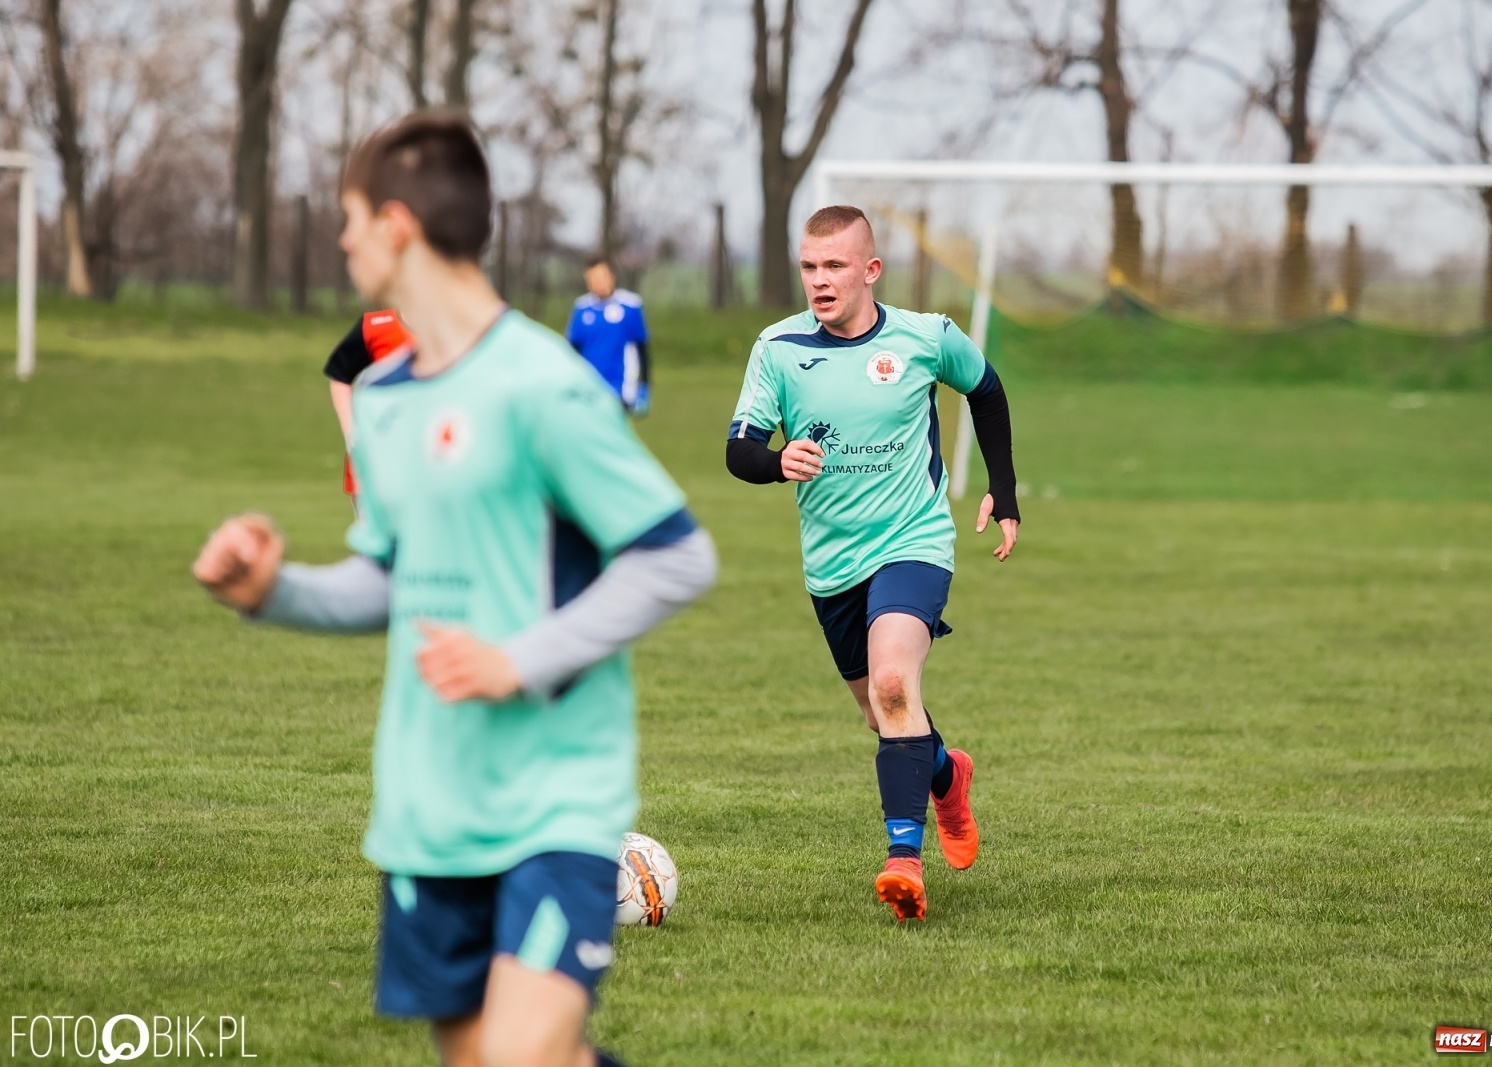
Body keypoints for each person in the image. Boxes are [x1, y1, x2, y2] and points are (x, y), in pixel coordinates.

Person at [192, 111, 716, 1067]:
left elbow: (676, 556)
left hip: (556, 797)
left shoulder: (542, 386)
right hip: (428, 804)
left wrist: (519, 659)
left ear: (395, 223)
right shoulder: (384, 399)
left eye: (350, 218)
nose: (342, 240)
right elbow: (392, 584)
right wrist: (275, 590)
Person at [724, 205, 1020, 924]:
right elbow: (739, 448)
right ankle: (947, 775)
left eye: (834, 267)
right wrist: (775, 462)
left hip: (913, 541)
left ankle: (903, 862)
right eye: (809, 267)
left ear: (870, 270)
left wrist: (1003, 490)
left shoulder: (925, 337)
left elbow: (985, 387)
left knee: (894, 680)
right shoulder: (779, 347)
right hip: (832, 566)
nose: (819, 282)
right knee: (882, 712)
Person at [324, 308, 413, 496]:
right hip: (377, 455)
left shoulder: (459, 327)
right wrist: (351, 432)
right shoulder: (375, 327)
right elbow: (340, 374)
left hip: (431, 454)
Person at [566, 258, 651, 415]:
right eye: (593, 279)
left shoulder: (630, 305)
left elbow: (642, 348)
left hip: (621, 387)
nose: (598, 283)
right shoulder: (581, 308)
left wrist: (644, 386)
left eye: (601, 277)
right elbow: (572, 351)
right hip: (589, 387)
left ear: (612, 277)